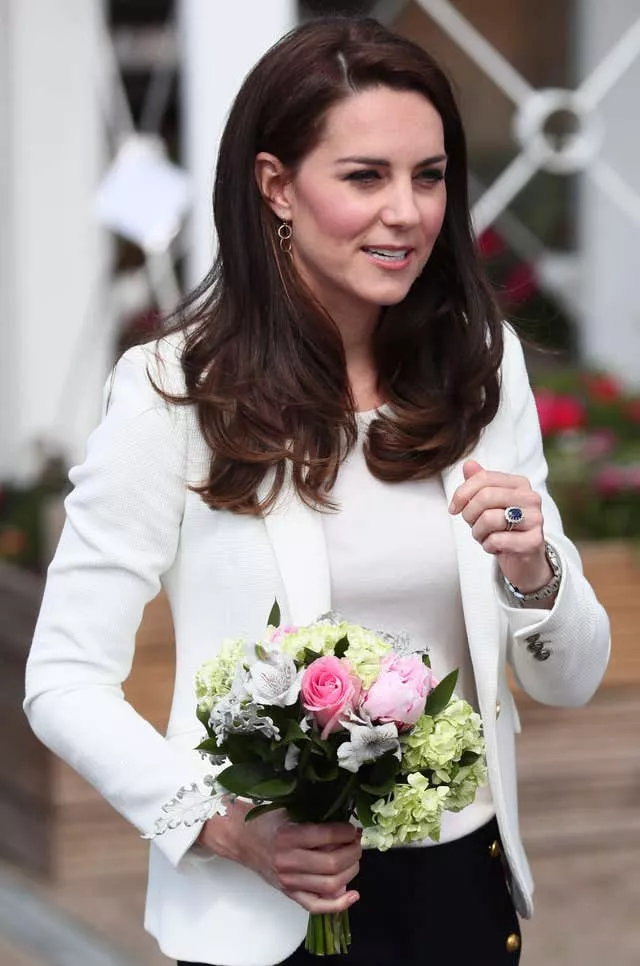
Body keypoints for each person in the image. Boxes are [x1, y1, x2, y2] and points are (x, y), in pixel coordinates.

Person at [24, 16, 610, 966]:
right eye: (365, 176)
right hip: (262, 916)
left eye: (429, 176)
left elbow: (568, 677)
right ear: (275, 187)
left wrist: (536, 571)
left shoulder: (481, 368)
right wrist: (221, 830)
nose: (408, 212)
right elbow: (62, 680)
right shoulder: (174, 393)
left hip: (464, 894)